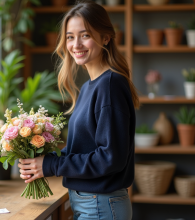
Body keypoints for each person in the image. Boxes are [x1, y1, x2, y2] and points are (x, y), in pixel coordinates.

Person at [18, 1, 140, 219]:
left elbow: (110, 158)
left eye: (85, 35)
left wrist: (53, 165)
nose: (76, 44)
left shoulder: (110, 85)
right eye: (70, 37)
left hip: (100, 205)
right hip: (90, 203)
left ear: (105, 37)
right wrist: (42, 162)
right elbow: (83, 149)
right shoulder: (89, 87)